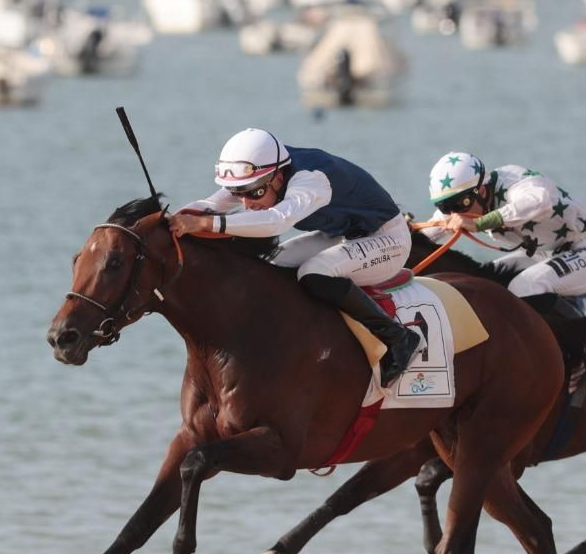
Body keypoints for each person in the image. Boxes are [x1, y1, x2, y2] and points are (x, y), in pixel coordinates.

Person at [169, 128, 420, 388]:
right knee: (272, 267)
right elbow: (213, 204)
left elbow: (276, 222)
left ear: (278, 177)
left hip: (387, 239)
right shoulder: (262, 172)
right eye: (238, 193)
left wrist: (204, 223)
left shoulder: (311, 179)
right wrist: (169, 221)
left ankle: (397, 337)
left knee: (314, 272)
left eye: (253, 194)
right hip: (341, 235)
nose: (246, 203)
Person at [423, 152, 586, 372]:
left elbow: (540, 201)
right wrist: (403, 234)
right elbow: (433, 229)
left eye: (459, 204)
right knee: (487, 280)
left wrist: (480, 224)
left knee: (525, 286)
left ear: (480, 190)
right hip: (545, 253)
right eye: (445, 207)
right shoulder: (465, 202)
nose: (453, 213)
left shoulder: (514, 182)